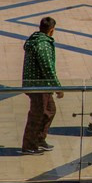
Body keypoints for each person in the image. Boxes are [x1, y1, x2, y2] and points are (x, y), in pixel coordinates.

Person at [21, 16, 63, 155]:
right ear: (51, 30)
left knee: (49, 110)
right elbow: (47, 67)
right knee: (37, 115)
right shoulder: (43, 44)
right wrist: (58, 87)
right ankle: (29, 145)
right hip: (38, 86)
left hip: (39, 84)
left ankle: (39, 139)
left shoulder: (36, 40)